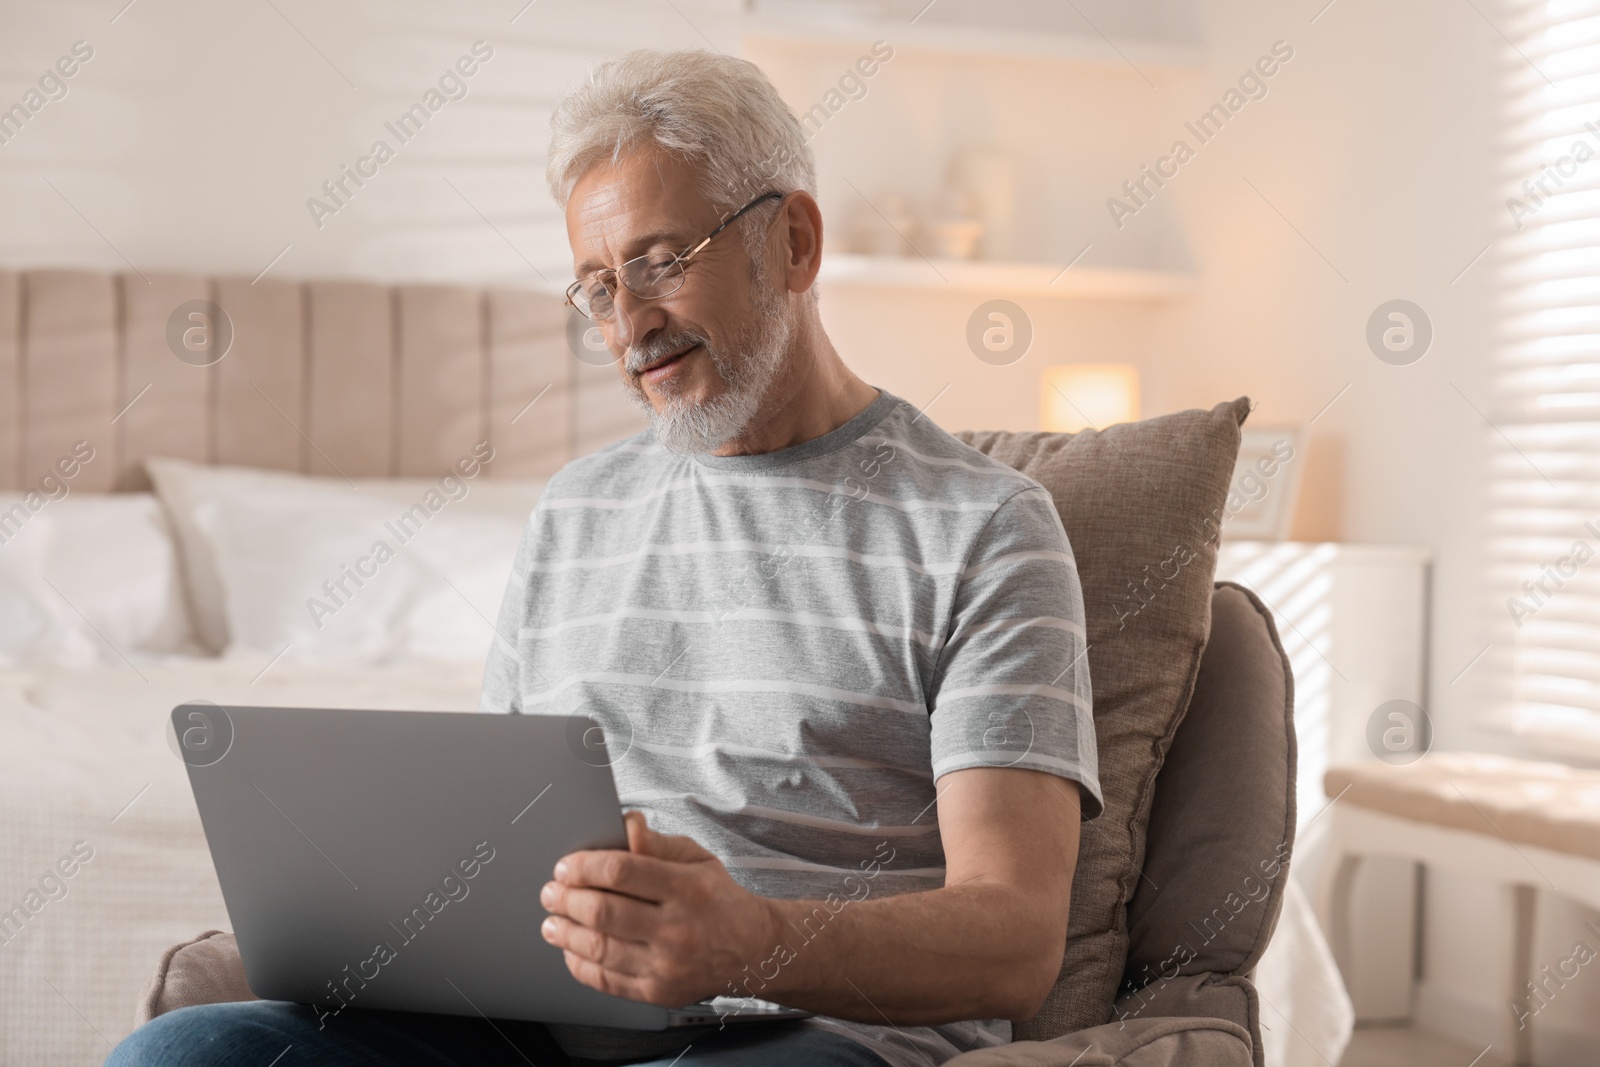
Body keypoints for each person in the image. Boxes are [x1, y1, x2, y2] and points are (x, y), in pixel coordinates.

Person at [108, 48, 1100, 1067]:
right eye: (595, 287)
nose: (629, 326)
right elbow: (492, 852)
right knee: (190, 1050)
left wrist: (746, 942)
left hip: (812, 1033)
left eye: (662, 261)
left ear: (793, 241)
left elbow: (1015, 933)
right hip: (540, 1027)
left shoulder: (983, 527)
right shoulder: (574, 511)